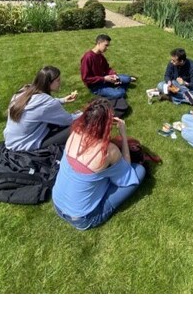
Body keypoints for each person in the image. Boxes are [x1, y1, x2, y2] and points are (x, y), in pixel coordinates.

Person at [52, 98, 146, 230]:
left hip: (57, 203)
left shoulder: (74, 133)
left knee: (97, 175)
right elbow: (127, 173)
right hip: (83, 219)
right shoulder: (108, 150)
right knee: (139, 171)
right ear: (107, 124)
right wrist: (123, 135)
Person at [3, 66, 81, 151]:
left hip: (11, 140)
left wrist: (63, 100)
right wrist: (84, 113)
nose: (60, 82)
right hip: (23, 145)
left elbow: (40, 107)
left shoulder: (25, 90)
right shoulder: (47, 103)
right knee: (77, 126)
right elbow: (68, 120)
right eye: (58, 80)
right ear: (48, 83)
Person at [80, 34, 136, 100]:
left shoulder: (100, 55)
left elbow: (107, 68)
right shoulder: (88, 57)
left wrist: (114, 75)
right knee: (120, 94)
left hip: (106, 78)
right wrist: (104, 79)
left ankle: (118, 85)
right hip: (96, 86)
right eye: (106, 45)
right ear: (99, 43)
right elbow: (86, 78)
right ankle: (119, 88)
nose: (107, 48)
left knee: (127, 79)